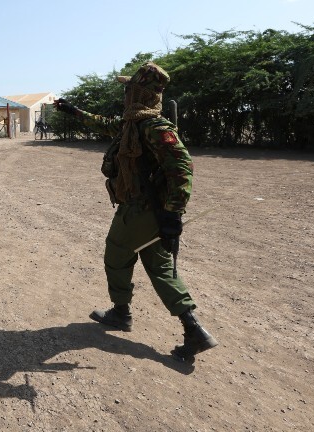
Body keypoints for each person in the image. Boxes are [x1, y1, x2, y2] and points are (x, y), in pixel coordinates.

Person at [54, 62, 218, 363]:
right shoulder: (133, 124)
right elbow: (103, 123)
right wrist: (72, 110)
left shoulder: (155, 127)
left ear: (138, 93)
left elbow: (182, 169)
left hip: (143, 210)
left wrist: (173, 215)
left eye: (129, 89)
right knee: (159, 266)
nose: (125, 93)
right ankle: (193, 329)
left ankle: (121, 312)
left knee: (116, 254)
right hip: (146, 210)